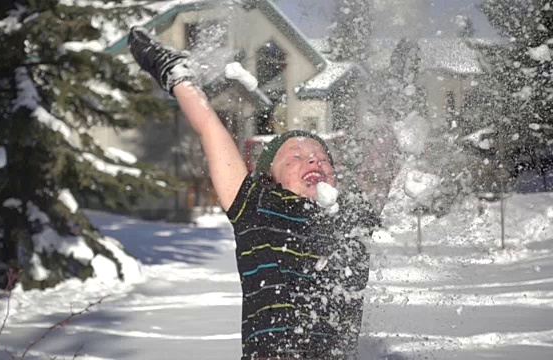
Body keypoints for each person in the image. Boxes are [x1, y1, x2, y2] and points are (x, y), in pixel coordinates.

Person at [128, 27, 380, 360]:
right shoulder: (256, 208)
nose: (313, 161)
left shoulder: (351, 215)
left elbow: (388, 161)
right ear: (269, 177)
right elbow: (209, 127)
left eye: (321, 158)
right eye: (295, 156)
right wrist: (174, 73)